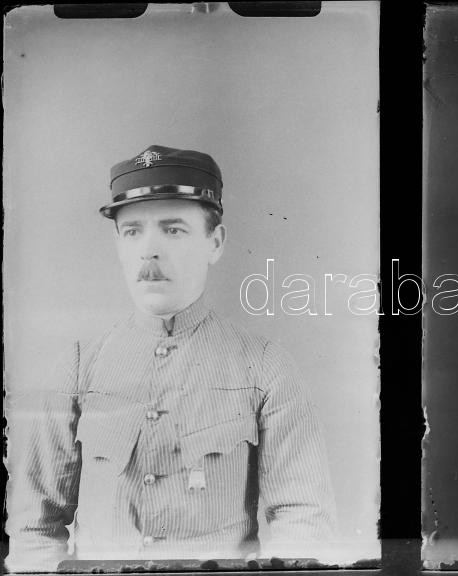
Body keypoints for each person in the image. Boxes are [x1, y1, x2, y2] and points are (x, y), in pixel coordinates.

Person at [7, 145, 337, 570]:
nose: (150, 250)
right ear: (118, 244)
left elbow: (304, 526)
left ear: (214, 243)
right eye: (132, 232)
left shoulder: (266, 367)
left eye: (174, 230)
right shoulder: (77, 366)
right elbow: (34, 530)